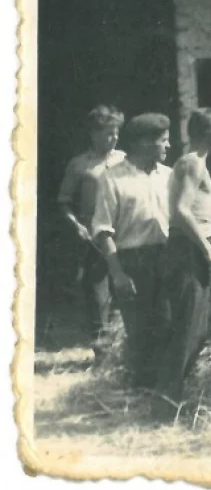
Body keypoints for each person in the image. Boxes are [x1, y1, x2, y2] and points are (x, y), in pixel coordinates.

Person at [153, 108, 211, 417]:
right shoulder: (192, 164)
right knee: (187, 326)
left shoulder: (194, 163)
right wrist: (207, 251)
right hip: (188, 248)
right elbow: (181, 211)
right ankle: (166, 404)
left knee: (197, 325)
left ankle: (174, 399)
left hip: (197, 243)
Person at [91, 113, 173, 388]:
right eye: (163, 141)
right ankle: (142, 393)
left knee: (168, 325)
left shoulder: (169, 176)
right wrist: (118, 274)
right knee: (139, 331)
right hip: (132, 262)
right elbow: (103, 230)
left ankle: (163, 392)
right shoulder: (112, 179)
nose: (168, 146)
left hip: (167, 258)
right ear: (143, 143)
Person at [56, 104, 126, 358]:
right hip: (94, 239)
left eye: (116, 131)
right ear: (93, 134)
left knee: (124, 292)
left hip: (122, 235)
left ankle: (123, 353)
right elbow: (64, 202)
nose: (114, 137)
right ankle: (102, 353)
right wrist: (77, 226)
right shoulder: (80, 165)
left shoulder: (125, 160)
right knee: (99, 295)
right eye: (108, 132)